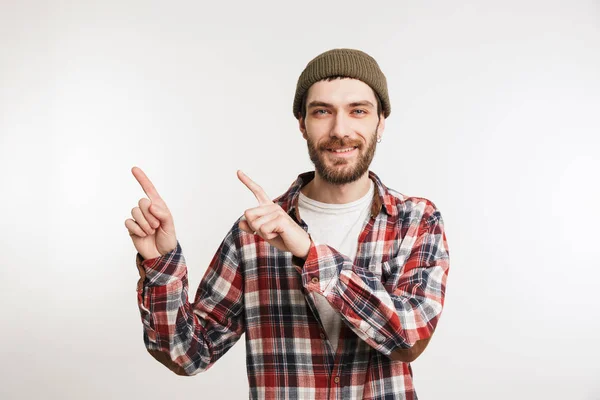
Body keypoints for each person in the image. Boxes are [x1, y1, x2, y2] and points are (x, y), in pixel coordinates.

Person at [125, 48, 450, 400]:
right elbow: (188, 355)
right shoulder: (254, 234)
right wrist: (161, 266)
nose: (340, 130)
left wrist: (310, 253)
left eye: (358, 111)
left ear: (380, 121)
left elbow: (410, 338)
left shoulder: (416, 220)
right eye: (322, 112)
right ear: (302, 124)